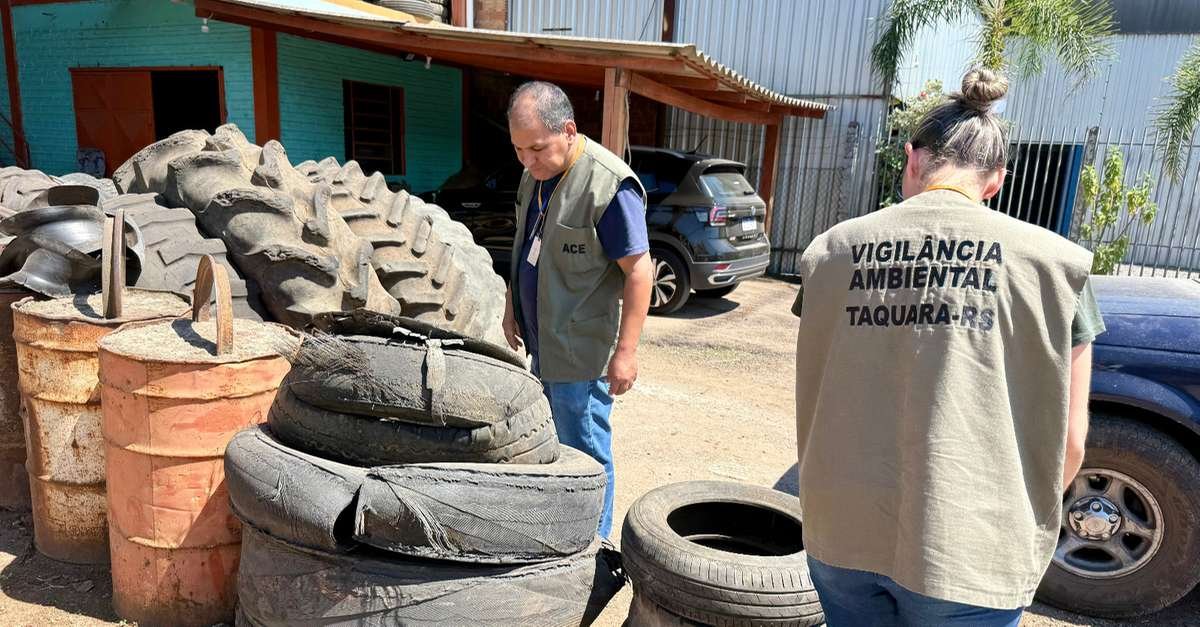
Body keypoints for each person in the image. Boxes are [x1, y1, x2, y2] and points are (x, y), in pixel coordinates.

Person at [792, 68, 1105, 626]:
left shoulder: (830, 251)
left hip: (842, 530)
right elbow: (1072, 442)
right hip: (973, 550)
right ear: (996, 181)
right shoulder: (1055, 267)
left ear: (913, 159)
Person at [503, 81, 653, 537]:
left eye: (536, 148)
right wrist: (513, 309)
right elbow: (525, 247)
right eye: (518, 149)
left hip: (581, 354)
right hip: (543, 344)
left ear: (568, 131)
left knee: (586, 450)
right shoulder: (536, 176)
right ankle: (563, 526)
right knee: (554, 445)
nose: (527, 160)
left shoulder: (608, 186)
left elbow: (640, 270)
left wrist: (626, 353)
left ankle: (595, 544)